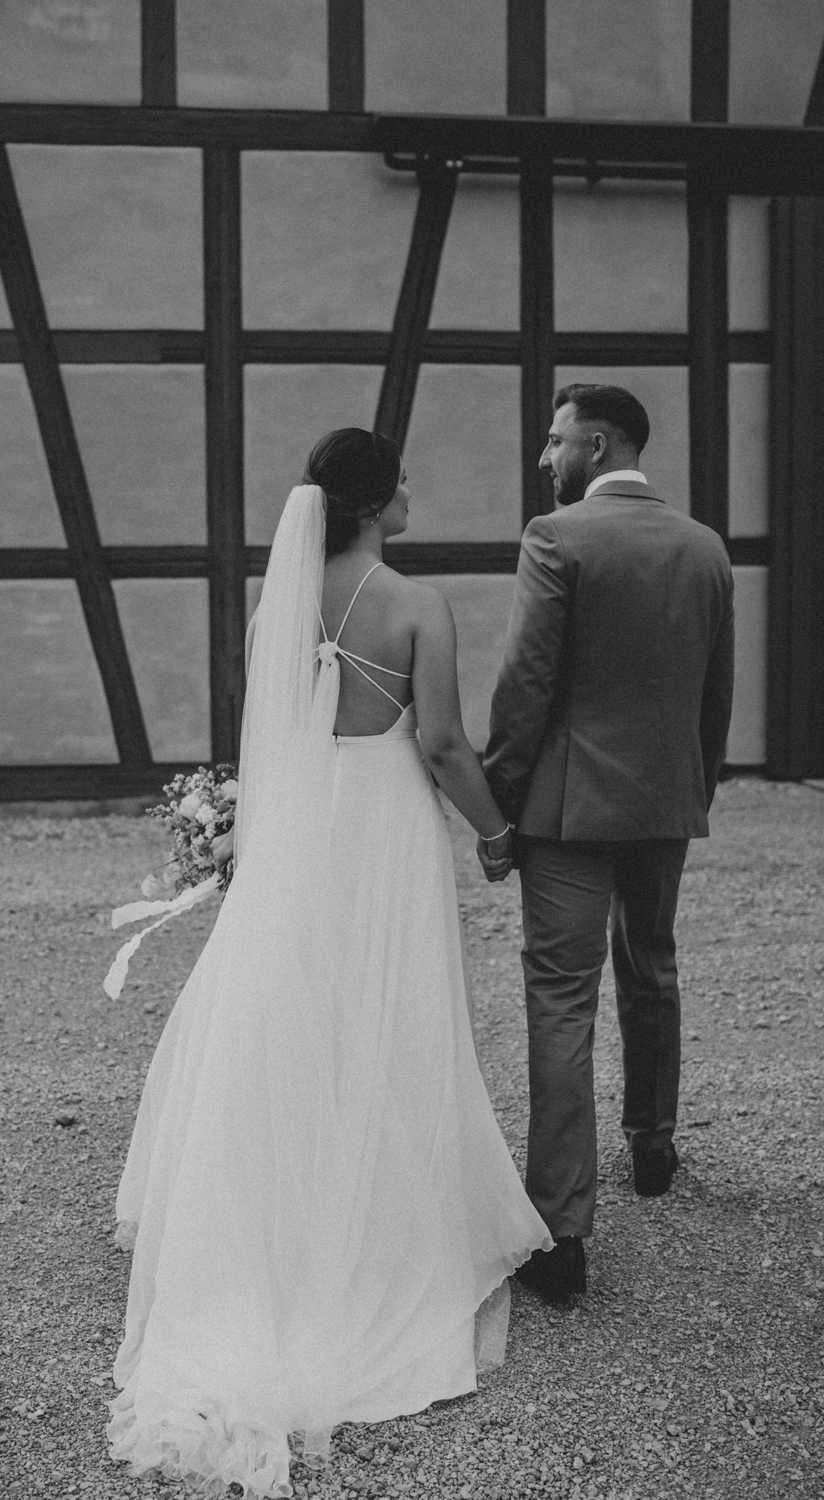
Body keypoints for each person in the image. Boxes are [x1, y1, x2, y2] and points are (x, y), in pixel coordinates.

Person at [107, 428, 550, 1496]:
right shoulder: (417, 605)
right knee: (386, 1011)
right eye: (402, 480)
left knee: (291, 1006)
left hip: (304, 829)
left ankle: (277, 1212)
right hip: (386, 828)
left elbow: (269, 737)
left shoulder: (281, 607)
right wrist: (498, 833)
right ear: (372, 501)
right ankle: (380, 1229)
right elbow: (440, 744)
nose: (413, 490)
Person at [481, 384, 734, 1301]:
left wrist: (500, 804)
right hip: (665, 801)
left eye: (556, 442)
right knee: (651, 963)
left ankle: (563, 1233)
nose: (546, 458)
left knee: (561, 998)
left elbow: (526, 684)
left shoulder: (557, 538)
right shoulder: (705, 547)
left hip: (570, 810)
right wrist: (690, 791)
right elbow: (716, 694)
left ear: (597, 444)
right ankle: (653, 1147)